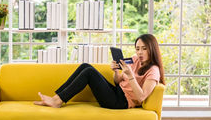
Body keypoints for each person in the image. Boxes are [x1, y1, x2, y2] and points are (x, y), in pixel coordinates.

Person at [34, 33, 165, 109]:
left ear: (152, 49)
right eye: (137, 49)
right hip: (116, 92)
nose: (140, 52)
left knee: (89, 73)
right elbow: (117, 82)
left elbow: (141, 97)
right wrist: (116, 72)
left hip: (121, 102)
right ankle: (56, 98)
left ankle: (57, 102)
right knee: (85, 66)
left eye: (144, 49)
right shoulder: (135, 59)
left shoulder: (153, 70)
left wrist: (131, 76)